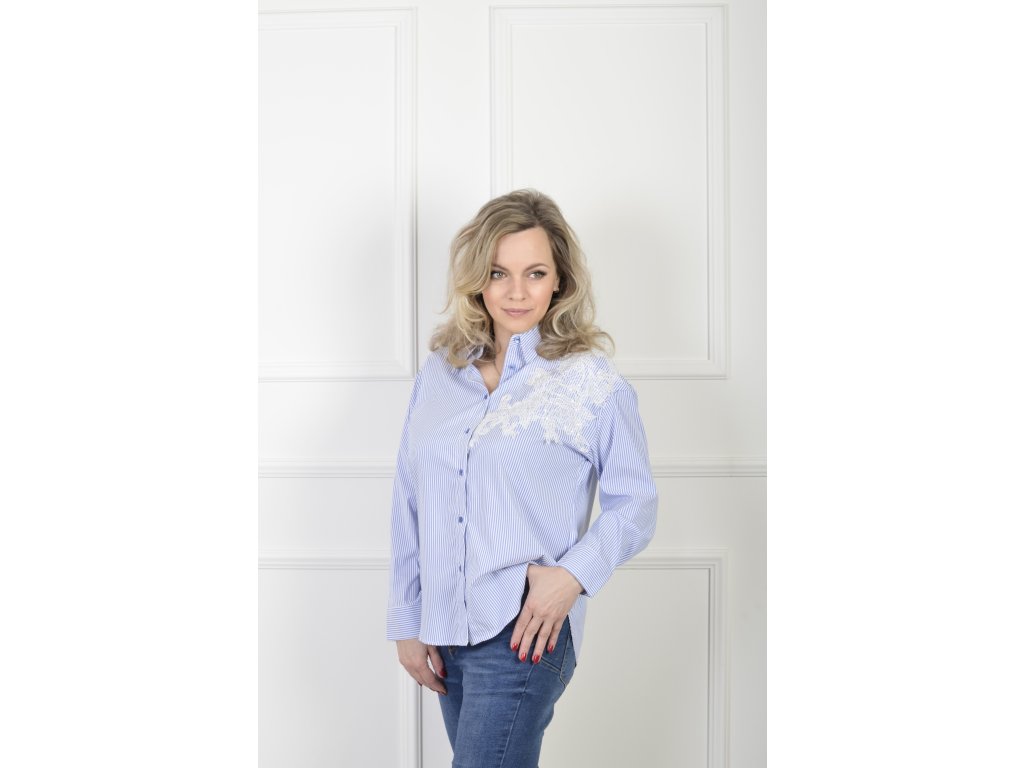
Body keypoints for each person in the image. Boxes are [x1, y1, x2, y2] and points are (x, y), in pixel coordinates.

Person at [386, 189, 658, 767]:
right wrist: (407, 619)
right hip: (446, 631)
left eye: (535, 273)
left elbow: (636, 503)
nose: (516, 292)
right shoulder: (440, 375)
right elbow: (410, 499)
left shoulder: (590, 382)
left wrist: (571, 577)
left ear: (559, 281)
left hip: (524, 628)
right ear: (476, 280)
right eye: (498, 273)